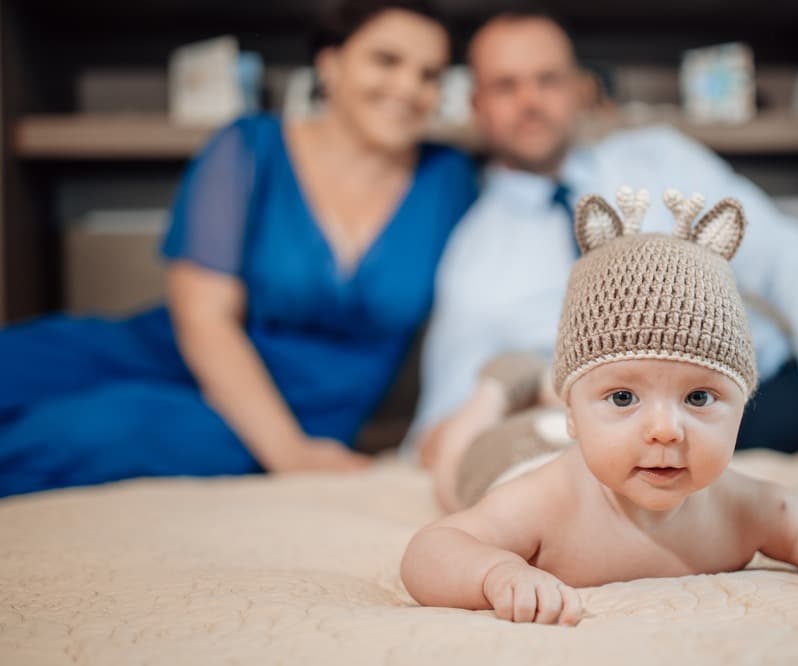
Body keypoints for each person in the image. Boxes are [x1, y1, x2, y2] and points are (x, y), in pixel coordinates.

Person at [407, 10, 798, 469]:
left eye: (547, 80)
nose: (530, 101)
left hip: (768, 386)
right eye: (506, 86)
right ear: (479, 105)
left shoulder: (662, 155)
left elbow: (787, 256)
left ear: (579, 89)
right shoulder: (472, 259)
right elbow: (443, 427)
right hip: (641, 433)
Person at [0, 0, 477, 498]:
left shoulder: (449, 179)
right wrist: (289, 454)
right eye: (386, 60)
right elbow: (203, 321)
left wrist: (291, 451)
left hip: (292, 417)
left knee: (93, 428)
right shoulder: (249, 146)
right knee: (14, 363)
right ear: (329, 62)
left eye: (430, 74)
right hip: (171, 351)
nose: (409, 87)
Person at [401, 190, 798, 626]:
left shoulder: (741, 508)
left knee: (590, 398)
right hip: (512, 453)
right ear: (574, 412)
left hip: (576, 424)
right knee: (450, 468)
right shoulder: (543, 503)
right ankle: (502, 382)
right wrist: (496, 574)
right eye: (624, 397)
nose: (665, 430)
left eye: (699, 397)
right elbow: (430, 551)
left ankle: (550, 384)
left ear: (743, 403)